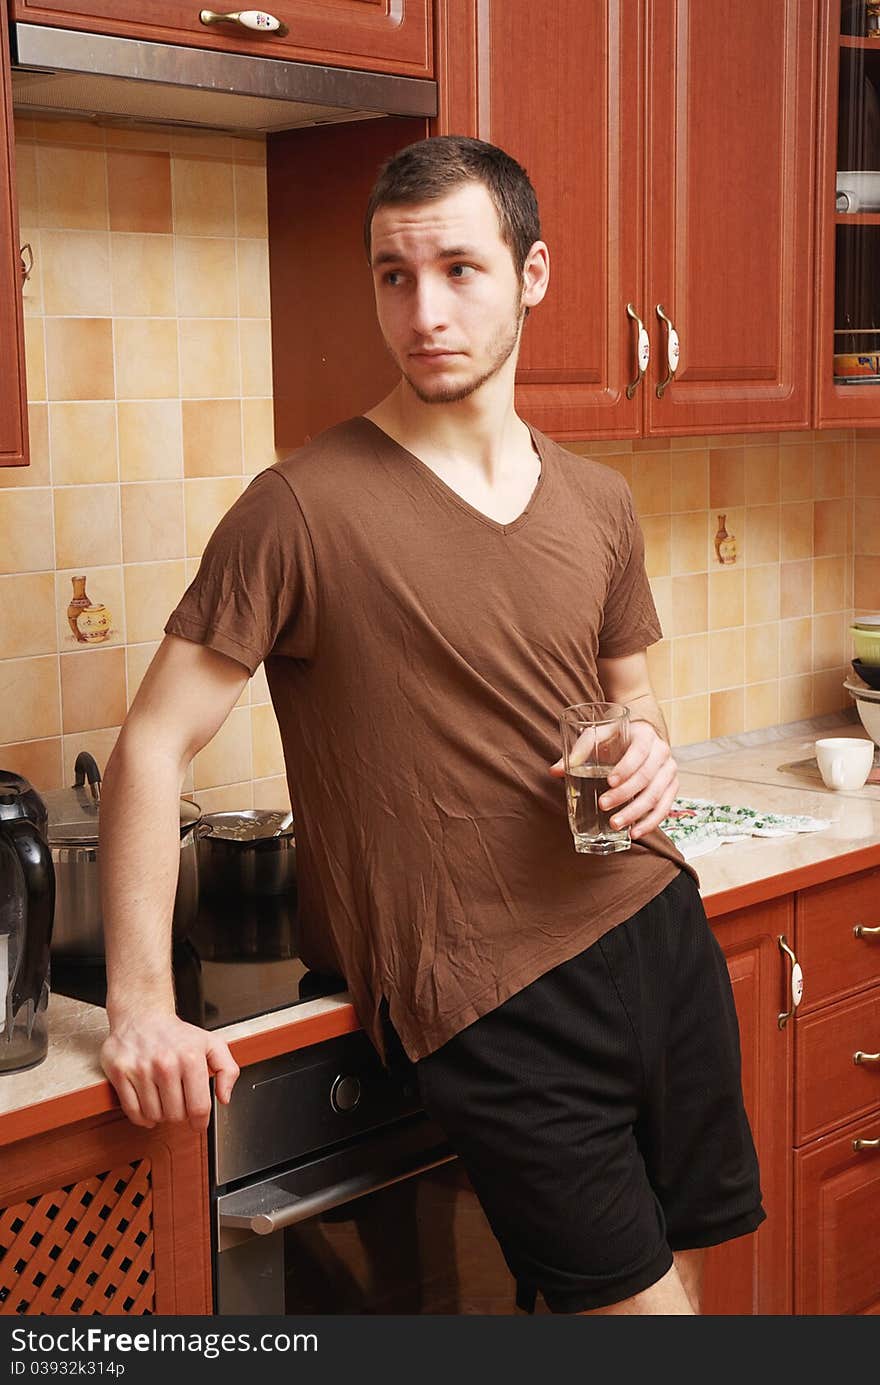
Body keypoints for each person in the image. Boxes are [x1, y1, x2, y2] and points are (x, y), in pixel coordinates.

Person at [98, 135, 765, 1316]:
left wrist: (641, 744)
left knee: (687, 1290)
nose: (423, 310)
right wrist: (144, 1006)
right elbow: (152, 745)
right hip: (483, 990)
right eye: (393, 276)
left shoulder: (598, 501)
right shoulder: (299, 507)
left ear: (533, 273)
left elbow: (632, 700)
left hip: (658, 929)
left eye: (460, 269)